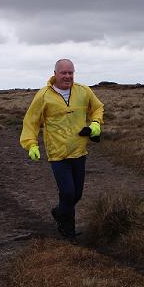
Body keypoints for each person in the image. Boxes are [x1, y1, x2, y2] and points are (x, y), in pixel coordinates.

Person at [20, 59, 104, 239]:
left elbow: (97, 107)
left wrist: (95, 124)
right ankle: (68, 231)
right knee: (68, 192)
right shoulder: (43, 95)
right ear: (55, 73)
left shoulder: (83, 91)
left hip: (79, 151)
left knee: (77, 194)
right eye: (64, 73)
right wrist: (31, 144)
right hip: (57, 154)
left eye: (70, 73)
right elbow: (31, 121)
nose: (67, 76)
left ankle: (59, 213)